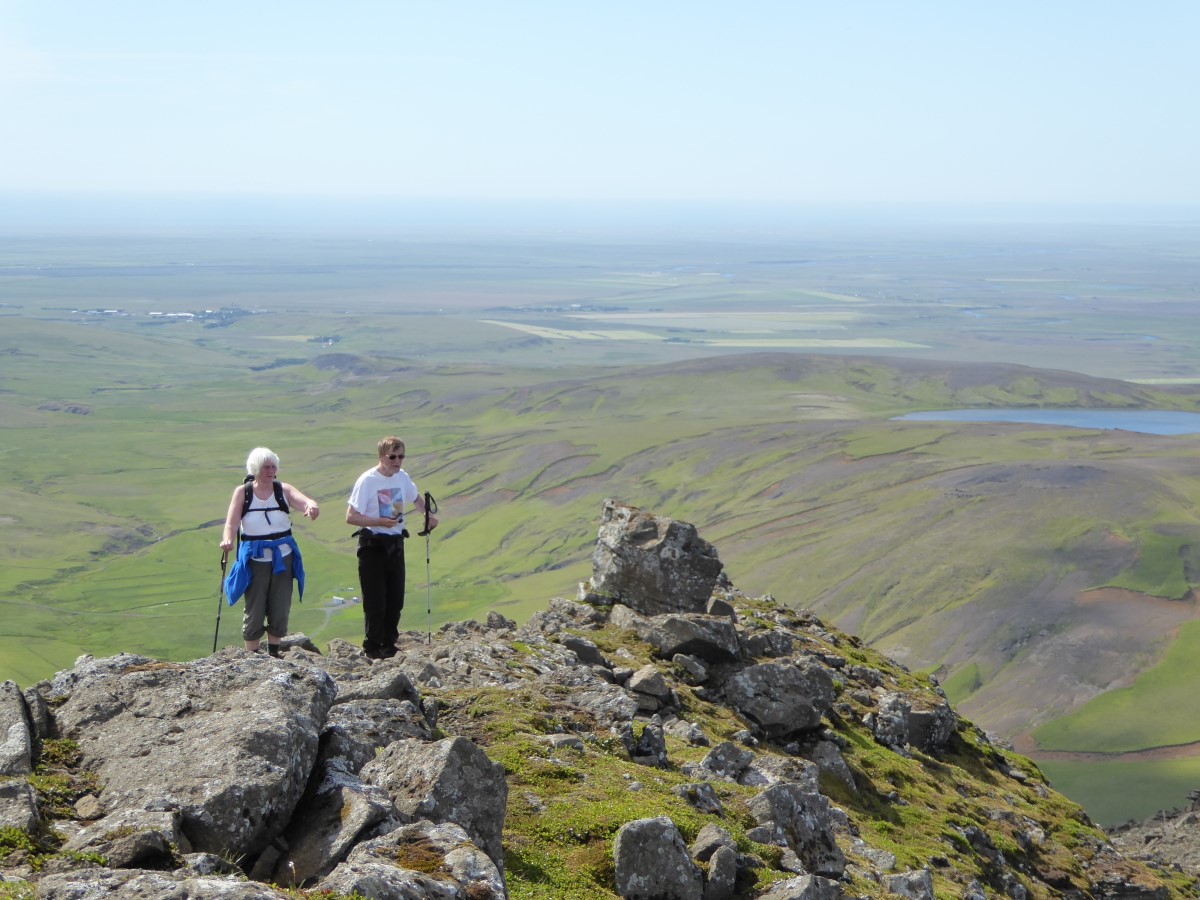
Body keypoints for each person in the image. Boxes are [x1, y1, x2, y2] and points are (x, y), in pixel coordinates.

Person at [220, 447, 320, 656]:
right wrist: (227, 539)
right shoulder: (243, 492)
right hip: (255, 558)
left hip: (283, 556)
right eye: (266, 467)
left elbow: (302, 500)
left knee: (280, 604)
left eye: (273, 466)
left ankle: (274, 653)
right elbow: (232, 523)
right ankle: (253, 655)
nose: (271, 471)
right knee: (255, 606)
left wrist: (311, 506)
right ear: (256, 468)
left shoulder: (283, 490)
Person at [346, 436, 438, 659]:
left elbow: (416, 498)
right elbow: (351, 516)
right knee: (375, 599)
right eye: (393, 457)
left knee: (395, 599)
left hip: (395, 543)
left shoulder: (402, 477)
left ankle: (389, 644)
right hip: (373, 545)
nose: (397, 461)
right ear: (381, 457)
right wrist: (378, 522)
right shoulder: (368, 481)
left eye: (401, 456)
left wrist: (427, 515)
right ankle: (372, 647)